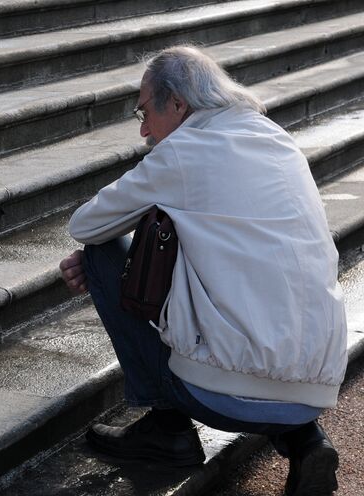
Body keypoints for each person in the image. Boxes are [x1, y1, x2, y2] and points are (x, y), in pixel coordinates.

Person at [59, 45, 347, 496]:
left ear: (177, 104)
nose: (143, 131)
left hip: (222, 397)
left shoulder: (186, 149)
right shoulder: (276, 138)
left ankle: (166, 425)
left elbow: (86, 224)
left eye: (143, 112)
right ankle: (305, 439)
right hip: (317, 388)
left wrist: (126, 238)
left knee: (102, 253)